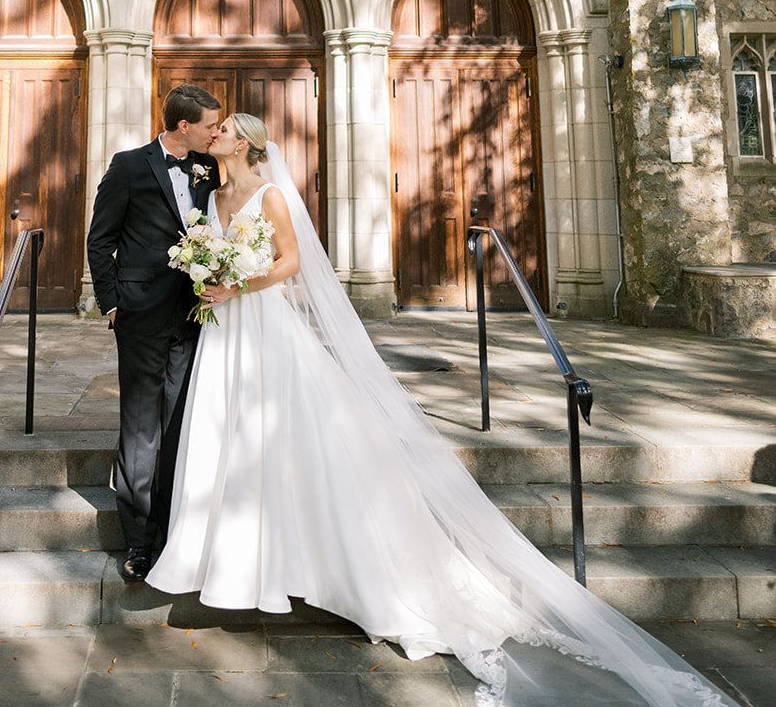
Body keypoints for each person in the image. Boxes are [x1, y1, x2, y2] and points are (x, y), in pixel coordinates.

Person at [148, 114, 738, 707]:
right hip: (224, 334)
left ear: (245, 142)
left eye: (224, 127)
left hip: (262, 327)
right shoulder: (214, 192)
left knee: (290, 442)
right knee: (231, 437)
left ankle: (314, 570)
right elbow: (214, 251)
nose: (216, 131)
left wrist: (234, 286)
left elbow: (292, 263)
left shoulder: (270, 194)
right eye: (214, 127)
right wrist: (208, 275)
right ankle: (232, 565)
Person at [86, 82, 221, 582]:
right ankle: (139, 544)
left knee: (180, 425)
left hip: (194, 316)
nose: (216, 132)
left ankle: (172, 532)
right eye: (210, 125)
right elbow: (100, 240)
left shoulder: (209, 169)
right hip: (140, 315)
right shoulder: (128, 166)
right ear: (183, 126)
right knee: (141, 428)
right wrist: (112, 303)